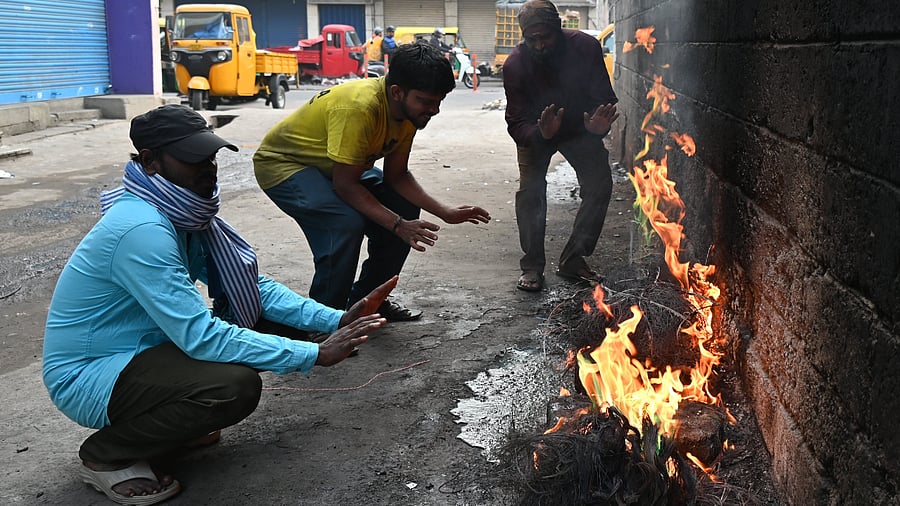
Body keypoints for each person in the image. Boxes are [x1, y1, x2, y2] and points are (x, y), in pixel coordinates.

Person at [42, 104, 395, 505]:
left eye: (209, 156)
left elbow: (250, 286)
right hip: (90, 373)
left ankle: (171, 422)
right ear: (151, 162)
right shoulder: (142, 230)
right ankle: (105, 455)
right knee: (233, 387)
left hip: (143, 349)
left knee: (258, 327)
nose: (208, 168)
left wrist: (334, 319)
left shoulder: (179, 214)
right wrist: (314, 354)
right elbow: (200, 337)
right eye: (193, 159)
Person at [253, 43, 491, 320]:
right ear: (396, 92)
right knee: (342, 223)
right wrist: (397, 225)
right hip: (285, 164)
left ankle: (367, 303)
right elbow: (345, 185)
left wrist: (444, 212)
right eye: (426, 101)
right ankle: (325, 319)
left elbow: (397, 176)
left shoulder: (408, 114)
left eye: (438, 101)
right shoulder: (360, 108)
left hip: (336, 167)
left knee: (403, 207)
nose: (434, 110)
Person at [502, 0, 619, 292]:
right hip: (536, 130)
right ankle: (532, 265)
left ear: (559, 28)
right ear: (524, 38)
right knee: (530, 193)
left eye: (545, 37)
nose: (539, 45)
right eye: (532, 39)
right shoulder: (515, 65)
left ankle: (573, 258)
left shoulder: (586, 48)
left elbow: (602, 99)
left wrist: (595, 128)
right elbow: (516, 123)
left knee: (599, 183)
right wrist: (542, 133)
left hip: (579, 129)